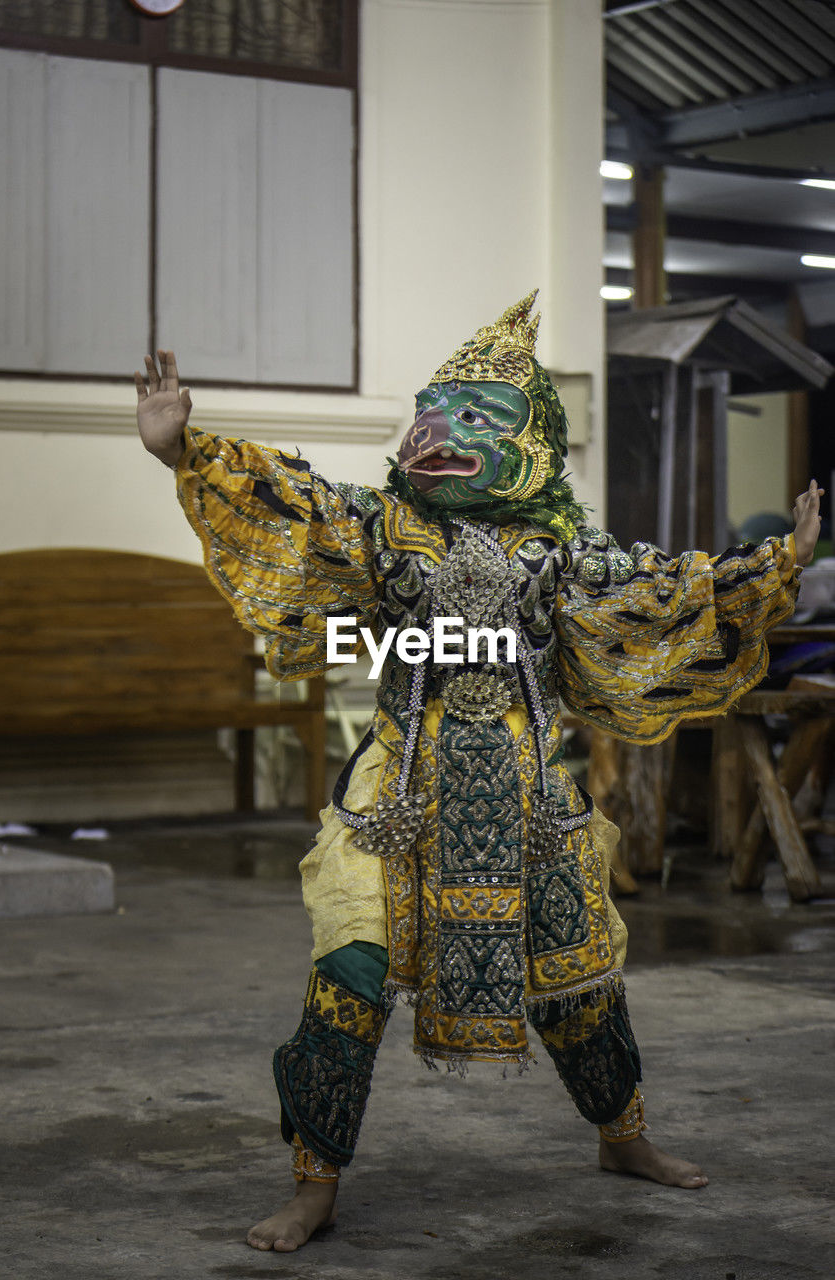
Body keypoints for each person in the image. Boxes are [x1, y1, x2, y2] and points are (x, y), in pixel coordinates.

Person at [135, 293, 822, 1253]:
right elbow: (309, 524)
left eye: (473, 419)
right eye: (431, 408)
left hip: (529, 794)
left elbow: (660, 589)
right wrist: (186, 452)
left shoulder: (565, 553)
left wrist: (774, 566)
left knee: (578, 974)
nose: (436, 431)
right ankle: (313, 1181)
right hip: (398, 793)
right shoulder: (382, 529)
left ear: (531, 441)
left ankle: (623, 1139)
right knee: (353, 968)